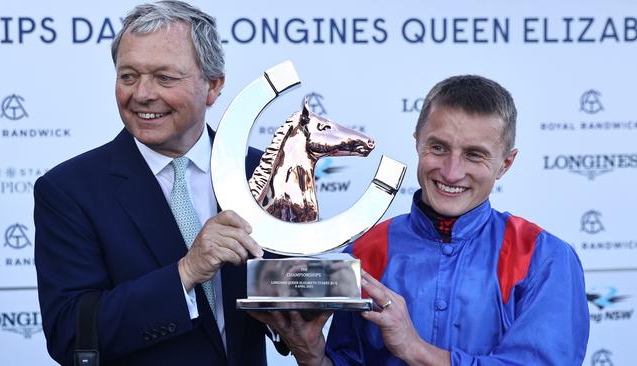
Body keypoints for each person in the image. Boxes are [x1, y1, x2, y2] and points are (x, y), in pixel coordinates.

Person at [252, 75, 590, 365]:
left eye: (474, 155)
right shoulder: (367, 249)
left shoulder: (544, 258)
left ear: (505, 163)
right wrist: (311, 354)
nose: (452, 172)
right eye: (438, 148)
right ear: (417, 142)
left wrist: (416, 350)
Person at [33, 1, 280, 365]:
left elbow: (287, 297)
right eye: (128, 76)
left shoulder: (262, 172)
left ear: (213, 86)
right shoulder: (69, 190)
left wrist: (300, 325)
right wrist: (186, 272)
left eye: (165, 77)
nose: (142, 94)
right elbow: (70, 333)